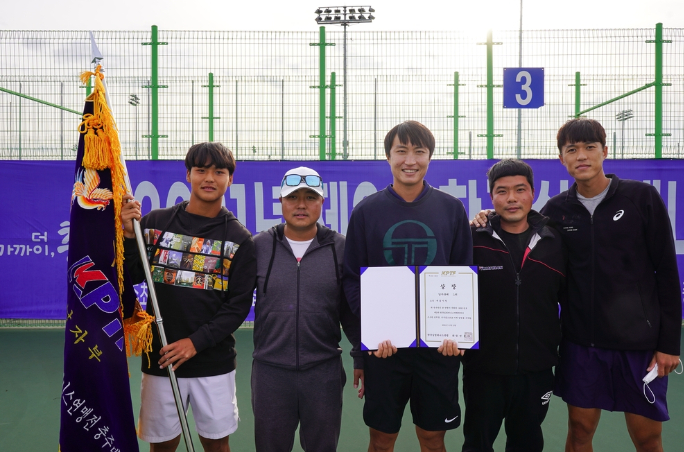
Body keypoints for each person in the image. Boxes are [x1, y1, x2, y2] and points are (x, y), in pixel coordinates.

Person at [473, 119, 682, 452]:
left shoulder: (642, 198)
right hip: (581, 345)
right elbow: (519, 226)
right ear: (561, 158)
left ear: (604, 151)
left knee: (647, 437)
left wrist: (668, 343)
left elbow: (667, 274)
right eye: (572, 149)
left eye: (589, 147)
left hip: (639, 345)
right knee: (580, 430)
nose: (581, 156)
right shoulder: (556, 211)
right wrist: (487, 218)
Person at [343, 121, 474, 452]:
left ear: (430, 157)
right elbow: (351, 280)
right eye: (401, 151)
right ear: (388, 157)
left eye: (419, 151)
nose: (410, 160)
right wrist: (369, 337)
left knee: (432, 438)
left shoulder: (451, 209)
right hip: (385, 351)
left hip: (437, 350)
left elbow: (463, 276)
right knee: (382, 439)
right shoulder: (366, 212)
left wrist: (457, 334)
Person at [121, 142, 256, 452]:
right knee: (163, 445)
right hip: (161, 357)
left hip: (214, 362)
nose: (209, 178)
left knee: (215, 444)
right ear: (188, 175)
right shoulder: (156, 223)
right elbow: (132, 277)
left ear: (230, 179)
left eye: (219, 171)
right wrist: (130, 236)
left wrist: (195, 343)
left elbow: (238, 306)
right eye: (201, 170)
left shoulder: (239, 238)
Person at [251, 166, 360, 452]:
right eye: (293, 197)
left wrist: (361, 357)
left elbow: (351, 311)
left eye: (310, 197)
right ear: (281, 202)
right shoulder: (258, 246)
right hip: (270, 374)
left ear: (322, 202)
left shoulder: (341, 247)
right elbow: (233, 304)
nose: (301, 205)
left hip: (323, 373)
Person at [462, 159, 565, 452]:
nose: (511, 199)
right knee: (477, 443)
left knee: (527, 442)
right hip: (484, 370)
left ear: (533, 192)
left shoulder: (555, 241)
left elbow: (571, 301)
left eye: (520, 190)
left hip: (538, 369)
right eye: (502, 191)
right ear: (491, 197)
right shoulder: (472, 239)